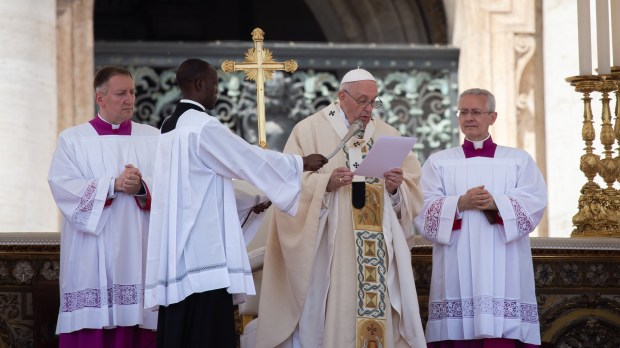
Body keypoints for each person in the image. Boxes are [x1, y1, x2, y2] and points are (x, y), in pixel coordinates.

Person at [144, 58, 328, 348]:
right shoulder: (203, 127)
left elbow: (196, 188)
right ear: (200, 84)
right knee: (207, 333)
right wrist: (298, 163)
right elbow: (245, 158)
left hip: (176, 251)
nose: (218, 92)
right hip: (203, 254)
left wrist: (251, 201)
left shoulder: (169, 127)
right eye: (215, 85)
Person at [254, 68, 426, 347]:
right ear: (342, 97)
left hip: (378, 252)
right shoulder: (308, 130)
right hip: (329, 252)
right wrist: (325, 184)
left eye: (374, 101)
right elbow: (286, 185)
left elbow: (413, 191)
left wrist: (395, 189)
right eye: (362, 101)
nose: (369, 109)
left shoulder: (387, 134)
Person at [414, 88, 547, 348]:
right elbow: (421, 208)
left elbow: (534, 203)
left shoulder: (517, 160)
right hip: (456, 261)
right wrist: (459, 203)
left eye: (476, 112)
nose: (469, 117)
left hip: (504, 262)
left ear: (492, 117)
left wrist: (497, 203)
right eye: (464, 112)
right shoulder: (439, 162)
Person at [48, 66, 158, 347]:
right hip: (91, 255)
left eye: (132, 92)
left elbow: (173, 189)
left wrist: (143, 188)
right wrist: (113, 185)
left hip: (140, 251)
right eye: (121, 93)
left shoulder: (154, 139)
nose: (129, 99)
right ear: (100, 98)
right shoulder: (73, 140)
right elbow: (63, 187)